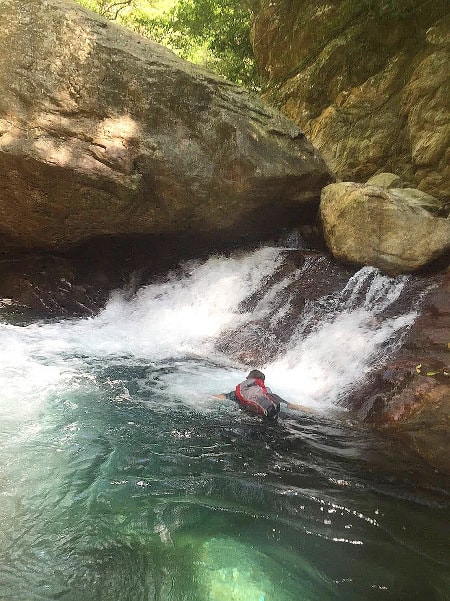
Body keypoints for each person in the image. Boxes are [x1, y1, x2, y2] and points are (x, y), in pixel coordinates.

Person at [214, 369, 308, 420]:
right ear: (262, 381)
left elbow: (221, 397)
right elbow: (291, 406)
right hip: (264, 417)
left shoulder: (240, 391)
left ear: (248, 379)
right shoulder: (267, 394)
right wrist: (312, 411)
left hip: (243, 415)